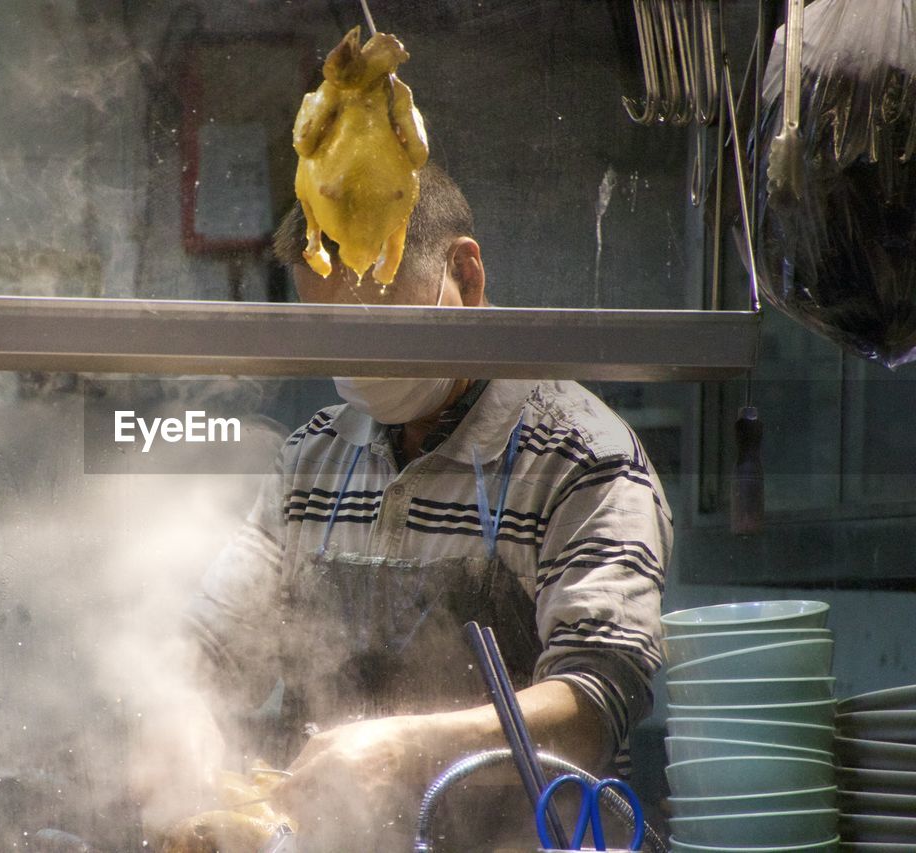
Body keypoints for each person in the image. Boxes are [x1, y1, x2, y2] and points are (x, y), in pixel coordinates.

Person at [167, 163, 672, 851]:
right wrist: (177, 723)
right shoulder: (311, 461)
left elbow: (593, 705)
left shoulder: (583, 457)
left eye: (377, 324)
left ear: (465, 276)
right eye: (329, 330)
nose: (356, 360)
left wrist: (402, 749)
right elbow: (206, 655)